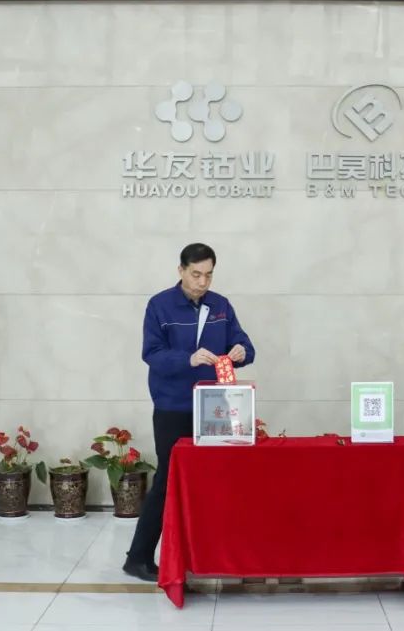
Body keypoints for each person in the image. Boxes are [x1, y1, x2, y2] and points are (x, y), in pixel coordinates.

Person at [122, 242, 256, 581]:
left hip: (216, 406)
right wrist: (188, 359)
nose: (202, 282)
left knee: (218, 479)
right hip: (173, 405)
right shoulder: (160, 305)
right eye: (196, 274)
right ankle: (138, 558)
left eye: (208, 275)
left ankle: (215, 556)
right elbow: (151, 353)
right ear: (181, 270)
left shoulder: (221, 306)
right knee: (168, 480)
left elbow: (244, 344)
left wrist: (242, 350)